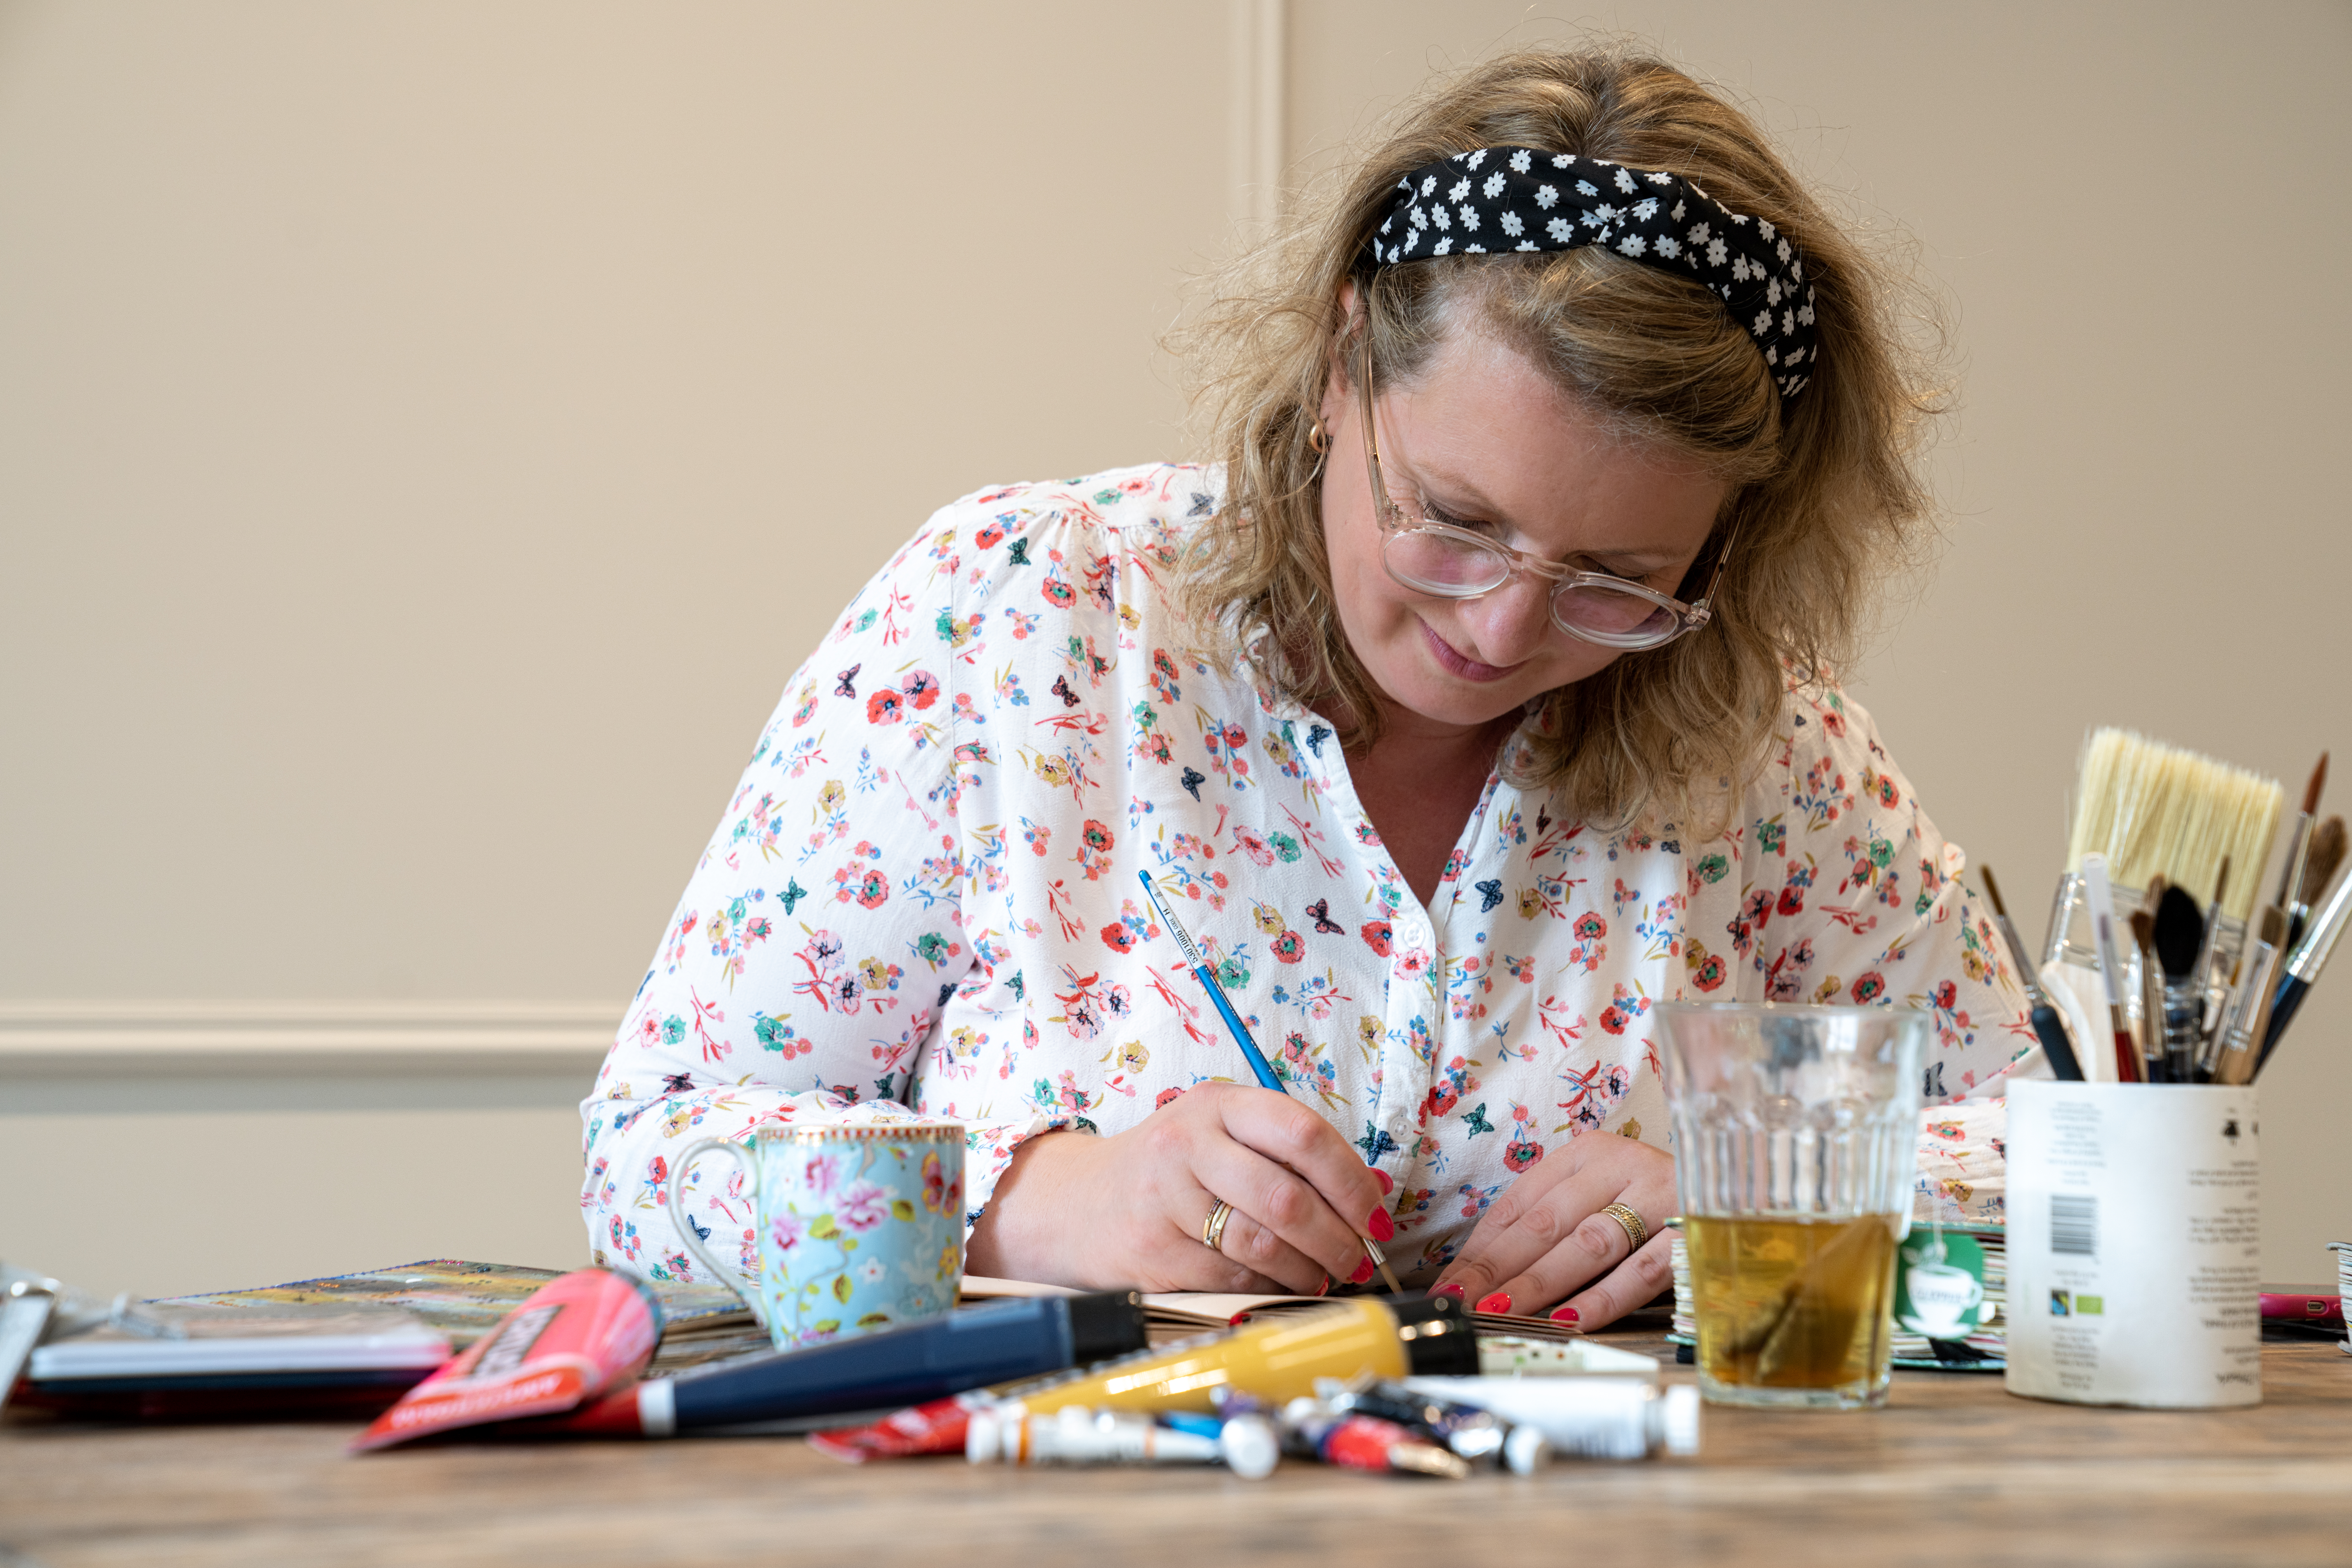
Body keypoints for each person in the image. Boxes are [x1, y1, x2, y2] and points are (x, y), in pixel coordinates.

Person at [579, 44, 2032, 1328]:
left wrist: (1753, 1194)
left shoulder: (1762, 737)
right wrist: (1038, 1205)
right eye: (1453, 520)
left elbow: (2059, 1151)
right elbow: (649, 1159)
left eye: (1619, 573)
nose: (1508, 626)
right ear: (1343, 367)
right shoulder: (1023, 611)